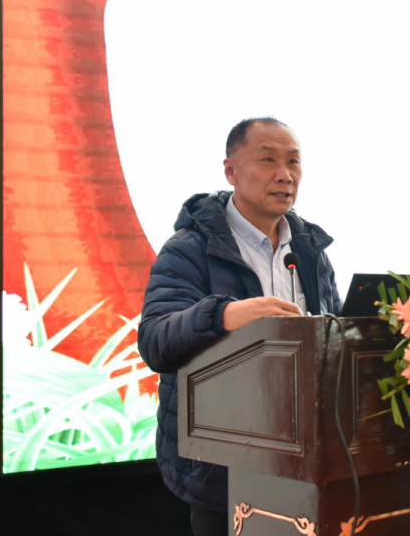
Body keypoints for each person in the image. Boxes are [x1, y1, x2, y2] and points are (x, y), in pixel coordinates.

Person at [138, 117, 342, 536]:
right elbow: (155, 341)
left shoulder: (309, 249)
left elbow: (331, 336)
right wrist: (224, 315)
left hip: (305, 459)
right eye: (268, 160)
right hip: (223, 469)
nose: (285, 175)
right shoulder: (190, 248)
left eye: (293, 162)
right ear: (230, 171)